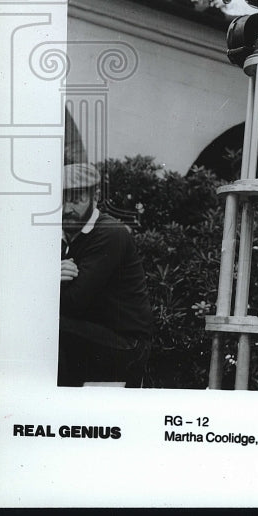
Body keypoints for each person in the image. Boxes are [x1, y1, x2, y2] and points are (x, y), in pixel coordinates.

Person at [58, 162, 153, 387]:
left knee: (47, 325)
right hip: (89, 334)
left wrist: (45, 281)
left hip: (126, 345)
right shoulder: (61, 234)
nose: (66, 208)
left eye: (76, 198)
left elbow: (73, 303)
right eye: (60, 199)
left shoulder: (110, 233)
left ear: (96, 196)